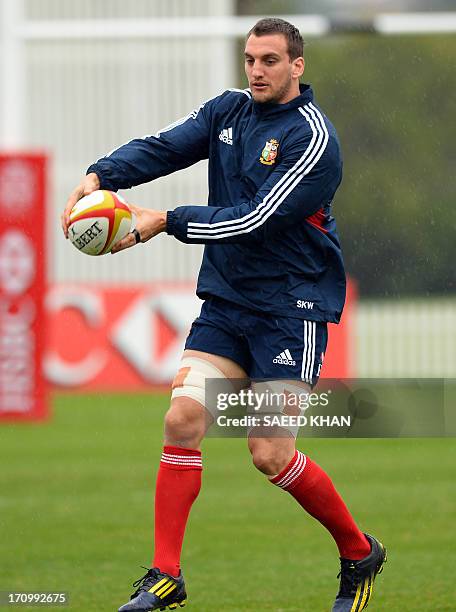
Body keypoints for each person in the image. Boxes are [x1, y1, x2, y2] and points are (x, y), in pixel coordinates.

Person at [62, 17, 386, 612]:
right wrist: (99, 176)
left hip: (291, 309)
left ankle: (358, 549)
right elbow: (163, 148)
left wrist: (162, 221)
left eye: (269, 60)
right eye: (250, 59)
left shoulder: (313, 140)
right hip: (229, 302)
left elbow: (255, 218)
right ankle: (166, 576)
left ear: (297, 66)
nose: (257, 71)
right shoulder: (227, 113)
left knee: (269, 452)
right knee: (183, 418)